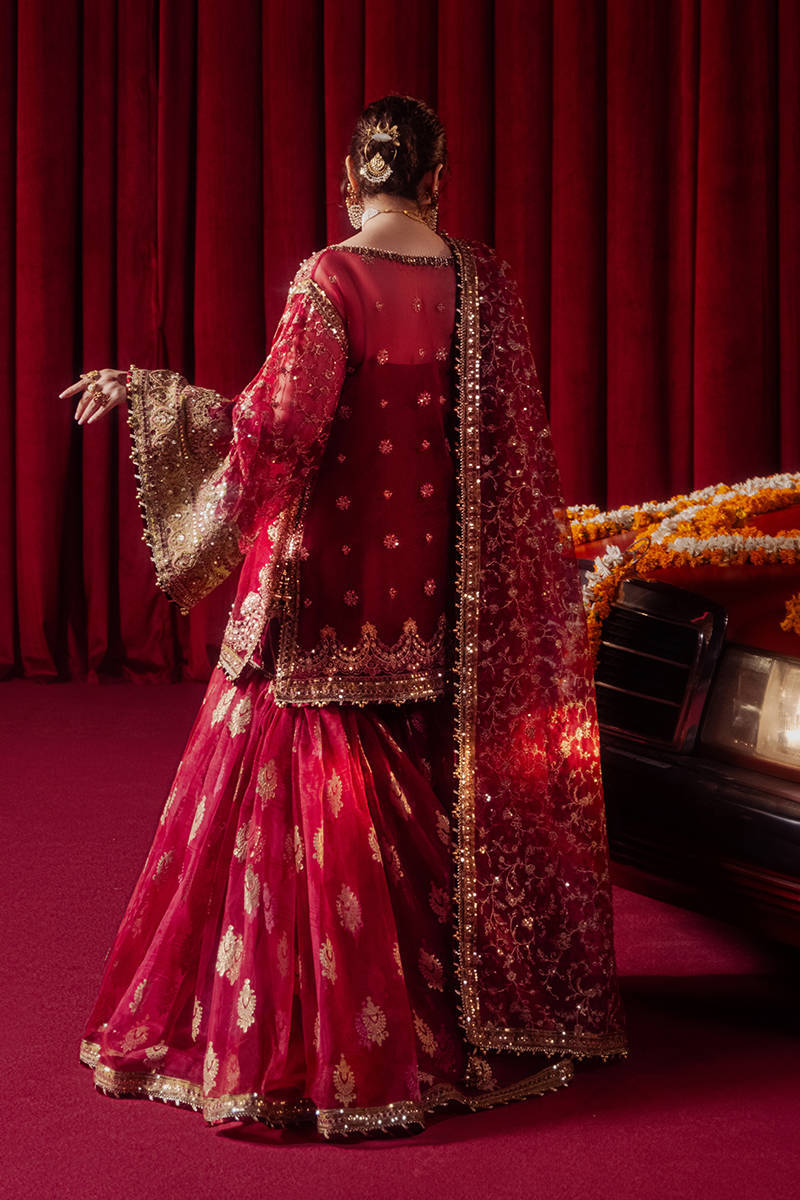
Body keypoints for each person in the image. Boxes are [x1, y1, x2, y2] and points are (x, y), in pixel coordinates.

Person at [62, 94, 627, 1142]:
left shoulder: (331, 277)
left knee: (286, 766)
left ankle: (307, 1044)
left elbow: (278, 431)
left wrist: (158, 400)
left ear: (349, 177)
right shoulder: (477, 281)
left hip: (322, 588)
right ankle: (447, 1008)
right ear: (435, 178)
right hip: (429, 589)